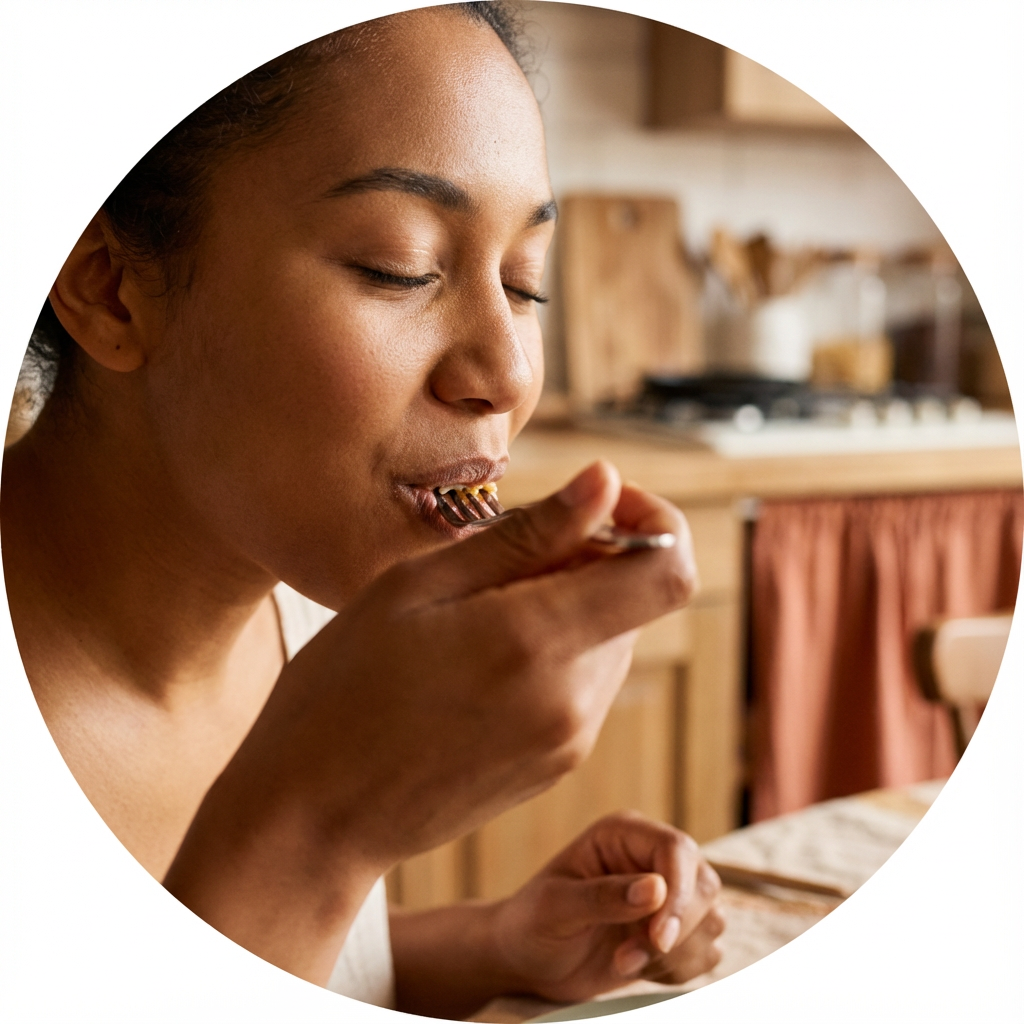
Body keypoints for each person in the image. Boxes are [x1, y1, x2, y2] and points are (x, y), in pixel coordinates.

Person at [1, 4, 724, 1018]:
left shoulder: (308, 594)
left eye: (524, 284)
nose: (509, 373)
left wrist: (494, 944)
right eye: (400, 267)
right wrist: (317, 832)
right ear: (110, 287)